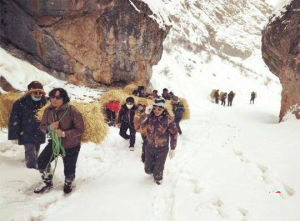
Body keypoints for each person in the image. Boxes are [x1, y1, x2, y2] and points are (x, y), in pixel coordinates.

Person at [34, 88, 84, 194]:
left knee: (69, 170)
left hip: (71, 144)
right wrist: (49, 128)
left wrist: (64, 133)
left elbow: (80, 129)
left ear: (64, 98)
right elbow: (42, 126)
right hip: (55, 143)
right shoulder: (48, 111)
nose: (54, 100)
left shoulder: (72, 110)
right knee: (41, 162)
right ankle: (47, 182)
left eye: (58, 97)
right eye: (52, 97)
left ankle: (68, 183)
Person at [136, 98, 178, 185]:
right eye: (155, 108)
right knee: (147, 170)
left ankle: (158, 179)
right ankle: (152, 170)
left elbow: (174, 133)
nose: (156, 111)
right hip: (149, 146)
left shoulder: (168, 119)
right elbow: (139, 124)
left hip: (162, 149)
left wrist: (173, 148)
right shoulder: (149, 116)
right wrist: (145, 114)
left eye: (159, 109)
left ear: (163, 109)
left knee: (158, 171)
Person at [8, 81, 47, 169]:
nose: (38, 95)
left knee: (36, 150)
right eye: (35, 92)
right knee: (29, 150)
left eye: (40, 93)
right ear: (30, 92)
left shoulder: (46, 103)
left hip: (40, 131)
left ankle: (34, 164)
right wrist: (13, 135)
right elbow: (14, 119)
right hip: (25, 131)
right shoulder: (20, 103)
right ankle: (31, 169)